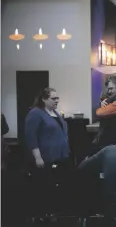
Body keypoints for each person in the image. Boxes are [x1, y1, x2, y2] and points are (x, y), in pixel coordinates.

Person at [24, 87, 71, 222]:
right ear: (44, 99)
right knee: (46, 187)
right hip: (46, 157)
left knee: (58, 187)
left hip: (61, 156)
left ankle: (56, 213)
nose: (57, 100)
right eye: (53, 98)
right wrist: (37, 157)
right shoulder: (35, 113)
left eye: (57, 98)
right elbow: (31, 136)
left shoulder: (54, 112)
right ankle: (45, 215)